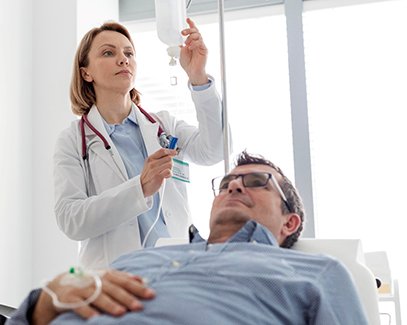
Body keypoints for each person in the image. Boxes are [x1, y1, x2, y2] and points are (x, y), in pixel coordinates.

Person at [8, 151, 369, 324]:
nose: (235, 184)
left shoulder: (317, 274)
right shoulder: (136, 260)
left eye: (257, 181)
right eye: (226, 182)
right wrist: (45, 302)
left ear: (290, 222)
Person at [53, 18, 225, 269]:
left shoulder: (164, 125)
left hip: (177, 268)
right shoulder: (73, 140)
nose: (123, 59)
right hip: (116, 278)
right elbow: (71, 219)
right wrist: (140, 188)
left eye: (129, 53)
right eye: (108, 53)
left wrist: (198, 77)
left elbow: (214, 150)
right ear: (86, 72)